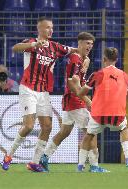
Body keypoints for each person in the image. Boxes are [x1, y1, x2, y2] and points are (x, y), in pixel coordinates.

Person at [1, 16, 79, 172]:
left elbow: (74, 50)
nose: (50, 30)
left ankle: (34, 163)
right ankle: (8, 156)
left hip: (44, 92)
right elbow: (15, 47)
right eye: (47, 27)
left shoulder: (55, 47)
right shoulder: (31, 42)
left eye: (52, 27)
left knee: (47, 126)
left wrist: (83, 57)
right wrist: (34, 44)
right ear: (39, 29)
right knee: (29, 126)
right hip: (28, 89)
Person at [39, 32, 106, 172]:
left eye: (92, 44)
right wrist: (86, 99)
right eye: (87, 43)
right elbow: (71, 84)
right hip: (75, 101)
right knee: (91, 131)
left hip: (70, 101)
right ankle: (94, 166)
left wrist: (86, 61)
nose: (90, 46)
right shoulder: (75, 60)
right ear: (79, 43)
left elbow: (77, 80)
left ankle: (44, 158)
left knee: (64, 132)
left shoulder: (82, 59)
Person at [72, 47, 128, 172]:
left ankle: (80, 166)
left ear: (104, 59)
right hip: (118, 115)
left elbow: (81, 93)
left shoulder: (97, 75)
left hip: (99, 115)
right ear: (117, 59)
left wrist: (77, 84)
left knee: (89, 135)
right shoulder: (125, 76)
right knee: (124, 129)